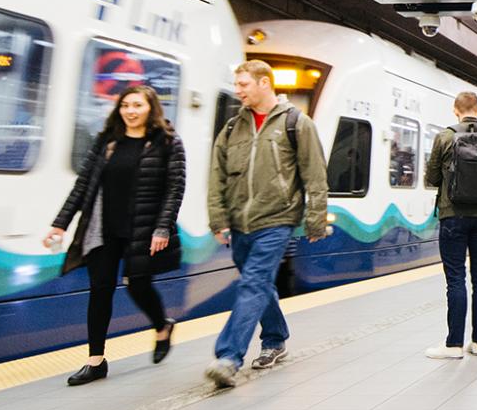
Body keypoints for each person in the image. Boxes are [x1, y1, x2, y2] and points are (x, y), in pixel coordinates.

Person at [46, 85, 186, 386]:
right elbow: (83, 185)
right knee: (100, 290)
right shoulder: (107, 141)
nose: (130, 111)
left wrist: (162, 227)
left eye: (137, 105)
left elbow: (175, 189)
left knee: (138, 286)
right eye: (125, 105)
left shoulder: (168, 142)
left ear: (151, 108)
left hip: (142, 229)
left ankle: (162, 326)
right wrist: (61, 223)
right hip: (103, 228)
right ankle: (95, 361)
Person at [205, 60, 329, 387]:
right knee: (257, 284)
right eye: (237, 84)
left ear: (264, 83)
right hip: (240, 222)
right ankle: (275, 338)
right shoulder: (233, 128)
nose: (238, 91)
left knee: (253, 282)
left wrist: (314, 220)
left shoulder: (296, 123)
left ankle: (228, 357)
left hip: (277, 219)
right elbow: (216, 175)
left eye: (243, 84)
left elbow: (315, 175)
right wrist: (218, 218)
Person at [424, 91, 477, 359]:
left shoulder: (445, 137)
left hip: (452, 215)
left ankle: (454, 345)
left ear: (455, 110)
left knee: (456, 279)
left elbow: (431, 176)